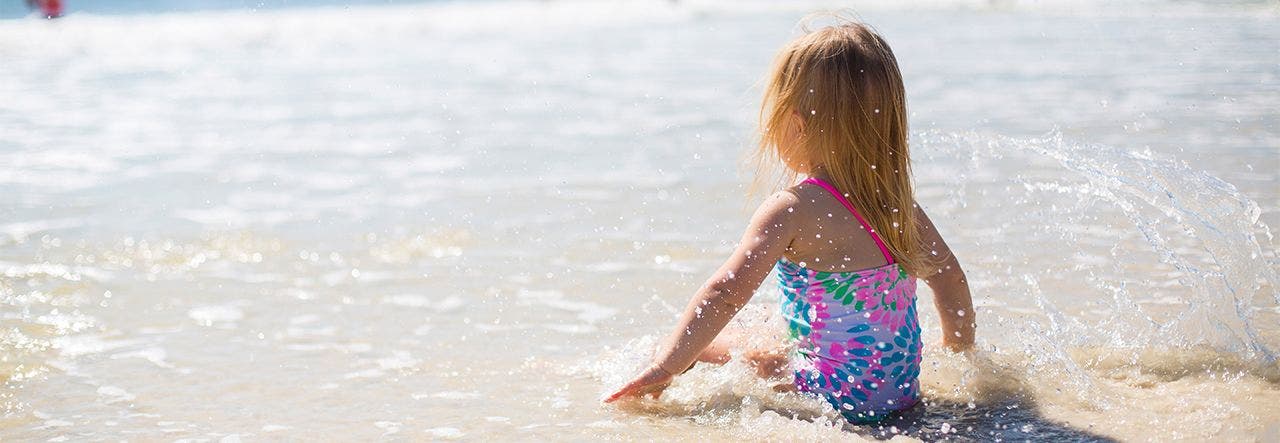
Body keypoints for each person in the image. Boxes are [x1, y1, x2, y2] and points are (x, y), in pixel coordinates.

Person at [601, 18, 977, 425]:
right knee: (765, 322)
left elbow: (724, 293)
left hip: (830, 399)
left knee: (703, 345)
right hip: (899, 397)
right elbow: (949, 277)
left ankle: (638, 372)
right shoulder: (899, 206)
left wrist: (668, 365)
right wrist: (959, 356)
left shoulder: (793, 208)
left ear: (795, 124)